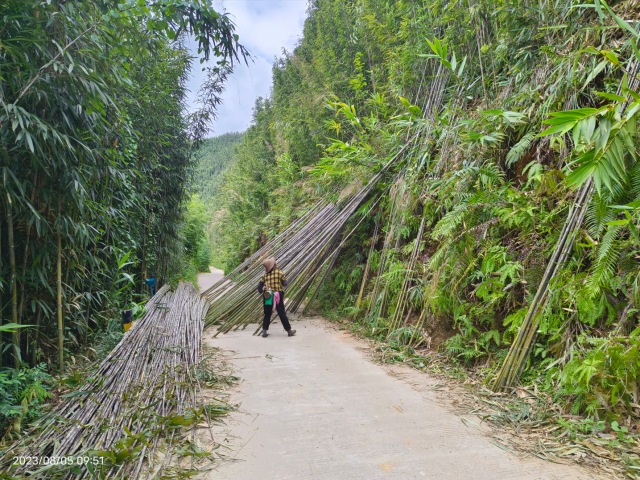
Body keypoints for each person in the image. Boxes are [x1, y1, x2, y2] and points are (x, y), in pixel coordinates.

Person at [257, 257, 296, 338]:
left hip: (268, 295)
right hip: (277, 295)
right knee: (281, 313)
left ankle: (264, 331)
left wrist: (261, 292)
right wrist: (285, 281)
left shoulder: (265, 275)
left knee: (267, 314)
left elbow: (259, 285)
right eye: (275, 262)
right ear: (274, 265)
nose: (276, 263)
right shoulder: (279, 273)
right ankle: (289, 331)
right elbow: (285, 283)